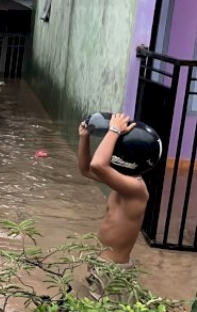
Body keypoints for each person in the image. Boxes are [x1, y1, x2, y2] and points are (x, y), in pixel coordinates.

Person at [77, 112, 163, 300]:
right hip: (102, 264)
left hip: (112, 270)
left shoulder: (136, 189)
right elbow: (86, 169)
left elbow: (99, 164)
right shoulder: (123, 182)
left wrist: (114, 130)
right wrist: (84, 138)